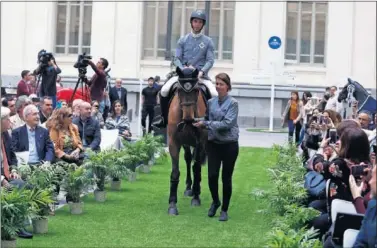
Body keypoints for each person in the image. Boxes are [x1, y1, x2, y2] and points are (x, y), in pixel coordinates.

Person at [153, 9, 217, 129]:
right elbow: (176, 58)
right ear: (191, 22)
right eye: (195, 21)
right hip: (182, 76)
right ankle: (163, 118)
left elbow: (210, 60)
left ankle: (212, 122)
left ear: (203, 24)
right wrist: (183, 69)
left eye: (200, 22)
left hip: (200, 76)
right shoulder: (182, 40)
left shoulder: (208, 42)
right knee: (164, 90)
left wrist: (201, 71)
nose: (197, 24)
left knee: (214, 93)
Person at [194, 73, 239, 221]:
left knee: (226, 178)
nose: (218, 86)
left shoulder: (233, 103)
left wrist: (206, 124)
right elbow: (207, 118)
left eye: (221, 84)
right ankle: (215, 201)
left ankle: (224, 210)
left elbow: (227, 124)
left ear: (228, 86)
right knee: (212, 176)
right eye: (217, 83)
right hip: (213, 144)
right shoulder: (211, 102)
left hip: (229, 145)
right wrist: (196, 121)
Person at [353, 166, 376, 248]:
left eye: (374, 177)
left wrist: (357, 197)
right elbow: (361, 241)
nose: (371, 182)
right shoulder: (373, 205)